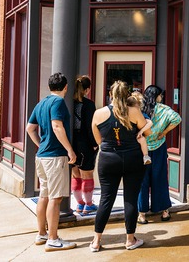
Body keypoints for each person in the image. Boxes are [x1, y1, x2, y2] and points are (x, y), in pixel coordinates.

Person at [90, 81, 151, 252]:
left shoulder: (98, 113)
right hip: (133, 158)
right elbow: (147, 133)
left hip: (108, 159)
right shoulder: (134, 111)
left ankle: (96, 241)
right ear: (127, 95)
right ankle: (130, 240)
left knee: (106, 198)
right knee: (130, 199)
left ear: (110, 94)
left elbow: (98, 140)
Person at [25, 72, 78, 252]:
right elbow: (57, 126)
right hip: (55, 157)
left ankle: (42, 234)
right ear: (66, 87)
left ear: (49, 87)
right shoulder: (58, 102)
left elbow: (30, 128)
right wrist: (70, 149)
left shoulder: (41, 103)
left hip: (42, 156)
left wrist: (40, 144)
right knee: (55, 199)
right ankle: (53, 239)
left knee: (44, 196)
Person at [137, 85, 175, 225]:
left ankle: (142, 214)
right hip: (159, 148)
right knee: (160, 179)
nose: (162, 97)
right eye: (161, 95)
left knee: (142, 180)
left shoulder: (140, 109)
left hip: (142, 149)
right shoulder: (164, 109)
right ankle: (164, 211)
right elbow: (177, 119)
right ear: (157, 96)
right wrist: (164, 132)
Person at [71, 75, 98, 216]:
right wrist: (94, 143)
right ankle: (88, 204)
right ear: (87, 90)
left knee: (75, 174)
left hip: (71, 143)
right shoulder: (89, 105)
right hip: (85, 143)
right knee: (87, 174)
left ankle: (79, 204)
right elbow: (90, 127)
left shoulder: (70, 103)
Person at [127, 92, 154, 165]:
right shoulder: (139, 113)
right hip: (133, 136)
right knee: (142, 140)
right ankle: (146, 156)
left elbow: (150, 123)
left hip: (136, 135)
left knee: (142, 139)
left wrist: (141, 131)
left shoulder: (141, 114)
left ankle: (146, 156)